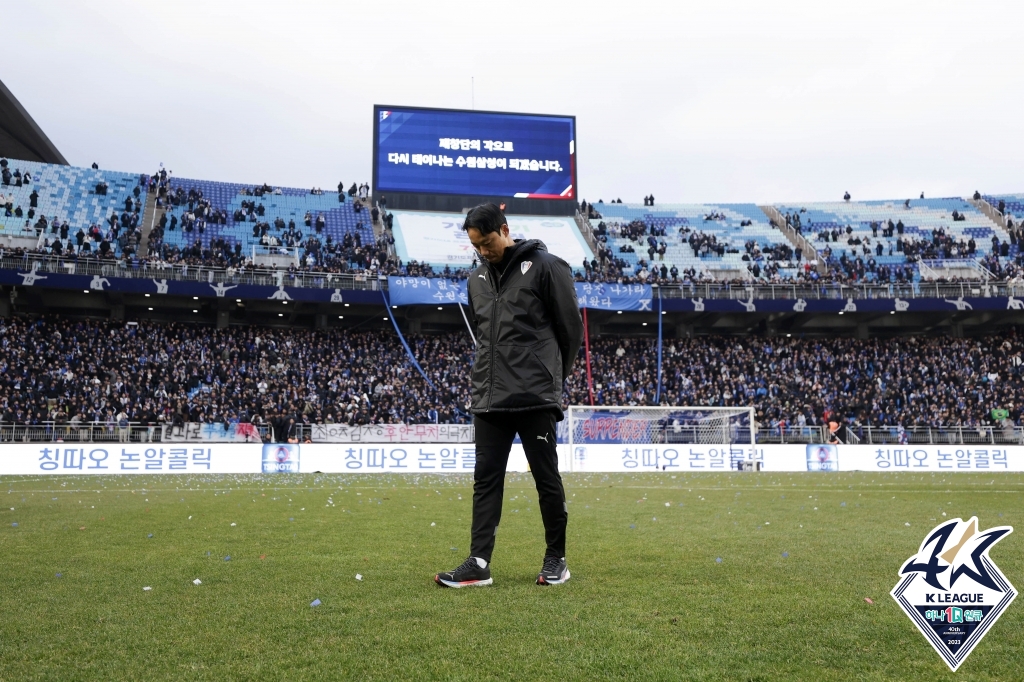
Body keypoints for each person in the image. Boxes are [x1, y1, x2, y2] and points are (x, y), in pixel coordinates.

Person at [435, 203, 583, 589]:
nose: (483, 251)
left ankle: (557, 559)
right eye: (476, 246)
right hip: (488, 398)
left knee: (546, 479)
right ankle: (479, 563)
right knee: (485, 481)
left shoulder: (548, 267)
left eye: (487, 243)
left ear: (504, 229)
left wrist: (552, 380)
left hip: (535, 396)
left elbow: (571, 331)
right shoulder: (476, 280)